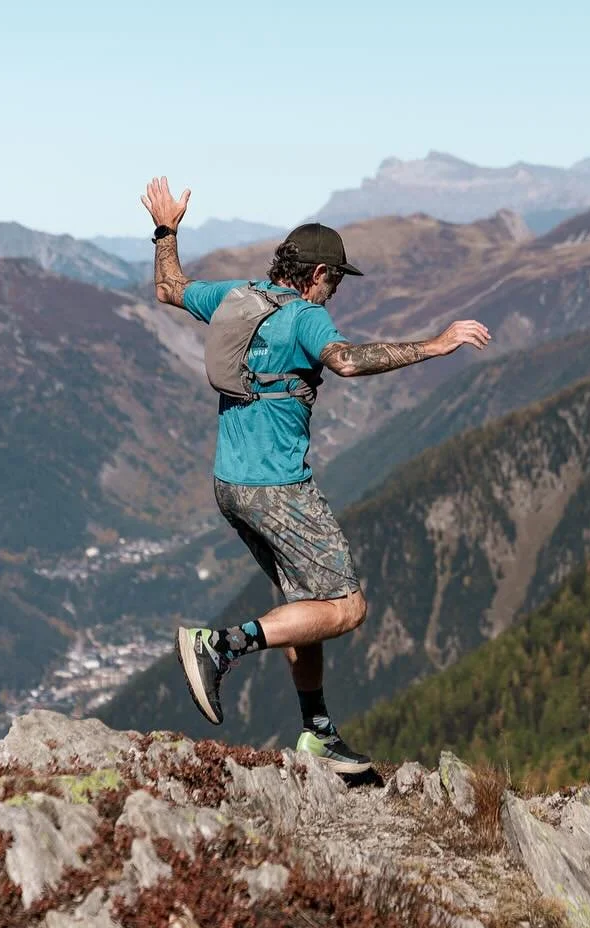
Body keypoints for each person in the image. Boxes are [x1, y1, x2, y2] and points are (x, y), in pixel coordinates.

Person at [141, 176, 491, 774]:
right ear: (320, 274)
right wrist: (434, 347)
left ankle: (318, 734)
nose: (334, 293)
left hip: (230, 485)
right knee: (347, 607)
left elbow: (169, 289)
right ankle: (218, 647)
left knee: (307, 604)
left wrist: (166, 230)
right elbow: (348, 362)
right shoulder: (305, 318)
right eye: (335, 280)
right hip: (278, 488)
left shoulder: (237, 297)